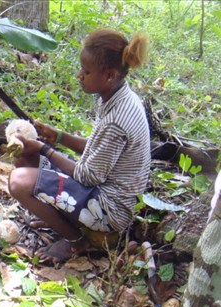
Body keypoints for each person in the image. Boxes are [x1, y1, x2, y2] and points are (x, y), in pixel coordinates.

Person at [9, 28, 151, 265]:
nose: (79, 75)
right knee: (25, 157)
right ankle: (63, 218)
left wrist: (44, 149)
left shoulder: (118, 119)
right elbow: (99, 149)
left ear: (109, 75)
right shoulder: (116, 97)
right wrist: (59, 137)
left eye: (86, 72)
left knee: (18, 181)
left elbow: (88, 176)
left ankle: (77, 241)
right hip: (100, 186)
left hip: (109, 209)